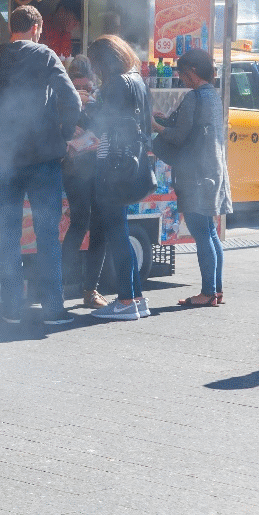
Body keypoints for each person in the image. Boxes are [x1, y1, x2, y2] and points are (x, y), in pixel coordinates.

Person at [0, 5, 81, 325]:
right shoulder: (45, 56)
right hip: (44, 160)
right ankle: (52, 309)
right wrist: (64, 135)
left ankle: (12, 308)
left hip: (4, 159)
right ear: (36, 27)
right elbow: (71, 101)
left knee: (9, 235)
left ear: (11, 29)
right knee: (47, 235)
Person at [153, 49, 231, 307]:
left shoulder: (194, 98)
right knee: (210, 231)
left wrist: (157, 126)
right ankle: (215, 291)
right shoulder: (214, 96)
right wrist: (169, 123)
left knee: (202, 232)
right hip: (213, 170)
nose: (182, 78)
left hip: (196, 174)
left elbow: (178, 137)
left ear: (193, 72)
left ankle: (207, 293)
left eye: (183, 73)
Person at [85, 35, 153, 321]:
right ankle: (136, 299)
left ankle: (126, 300)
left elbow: (103, 124)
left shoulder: (115, 85)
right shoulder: (138, 81)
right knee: (120, 230)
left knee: (118, 236)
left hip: (112, 167)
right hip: (131, 167)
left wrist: (87, 104)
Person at [59, 55, 111, 309]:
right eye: (77, 86)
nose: (83, 91)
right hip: (74, 170)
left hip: (99, 168)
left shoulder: (100, 99)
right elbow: (51, 128)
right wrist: (68, 129)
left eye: (86, 87)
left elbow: (109, 127)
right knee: (79, 224)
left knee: (99, 227)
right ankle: (57, 287)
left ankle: (91, 289)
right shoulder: (62, 97)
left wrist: (96, 136)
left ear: (93, 82)